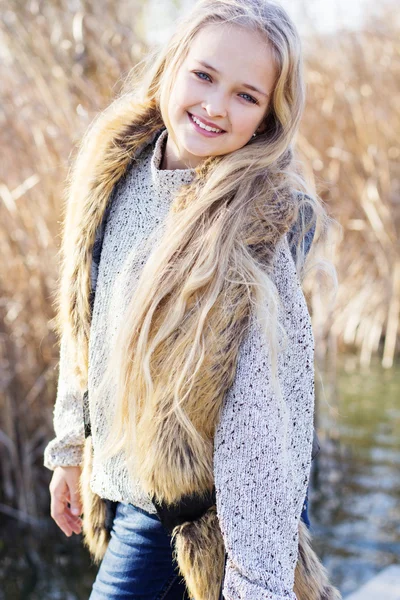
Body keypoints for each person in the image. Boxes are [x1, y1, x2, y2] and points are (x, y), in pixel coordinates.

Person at [44, 1, 340, 599]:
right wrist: (73, 447)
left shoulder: (251, 230)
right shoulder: (117, 173)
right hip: (128, 489)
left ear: (266, 118)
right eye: (204, 76)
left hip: (204, 516)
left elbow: (261, 414)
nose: (214, 107)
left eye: (246, 96)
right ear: (173, 66)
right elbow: (88, 323)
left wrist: (256, 582)